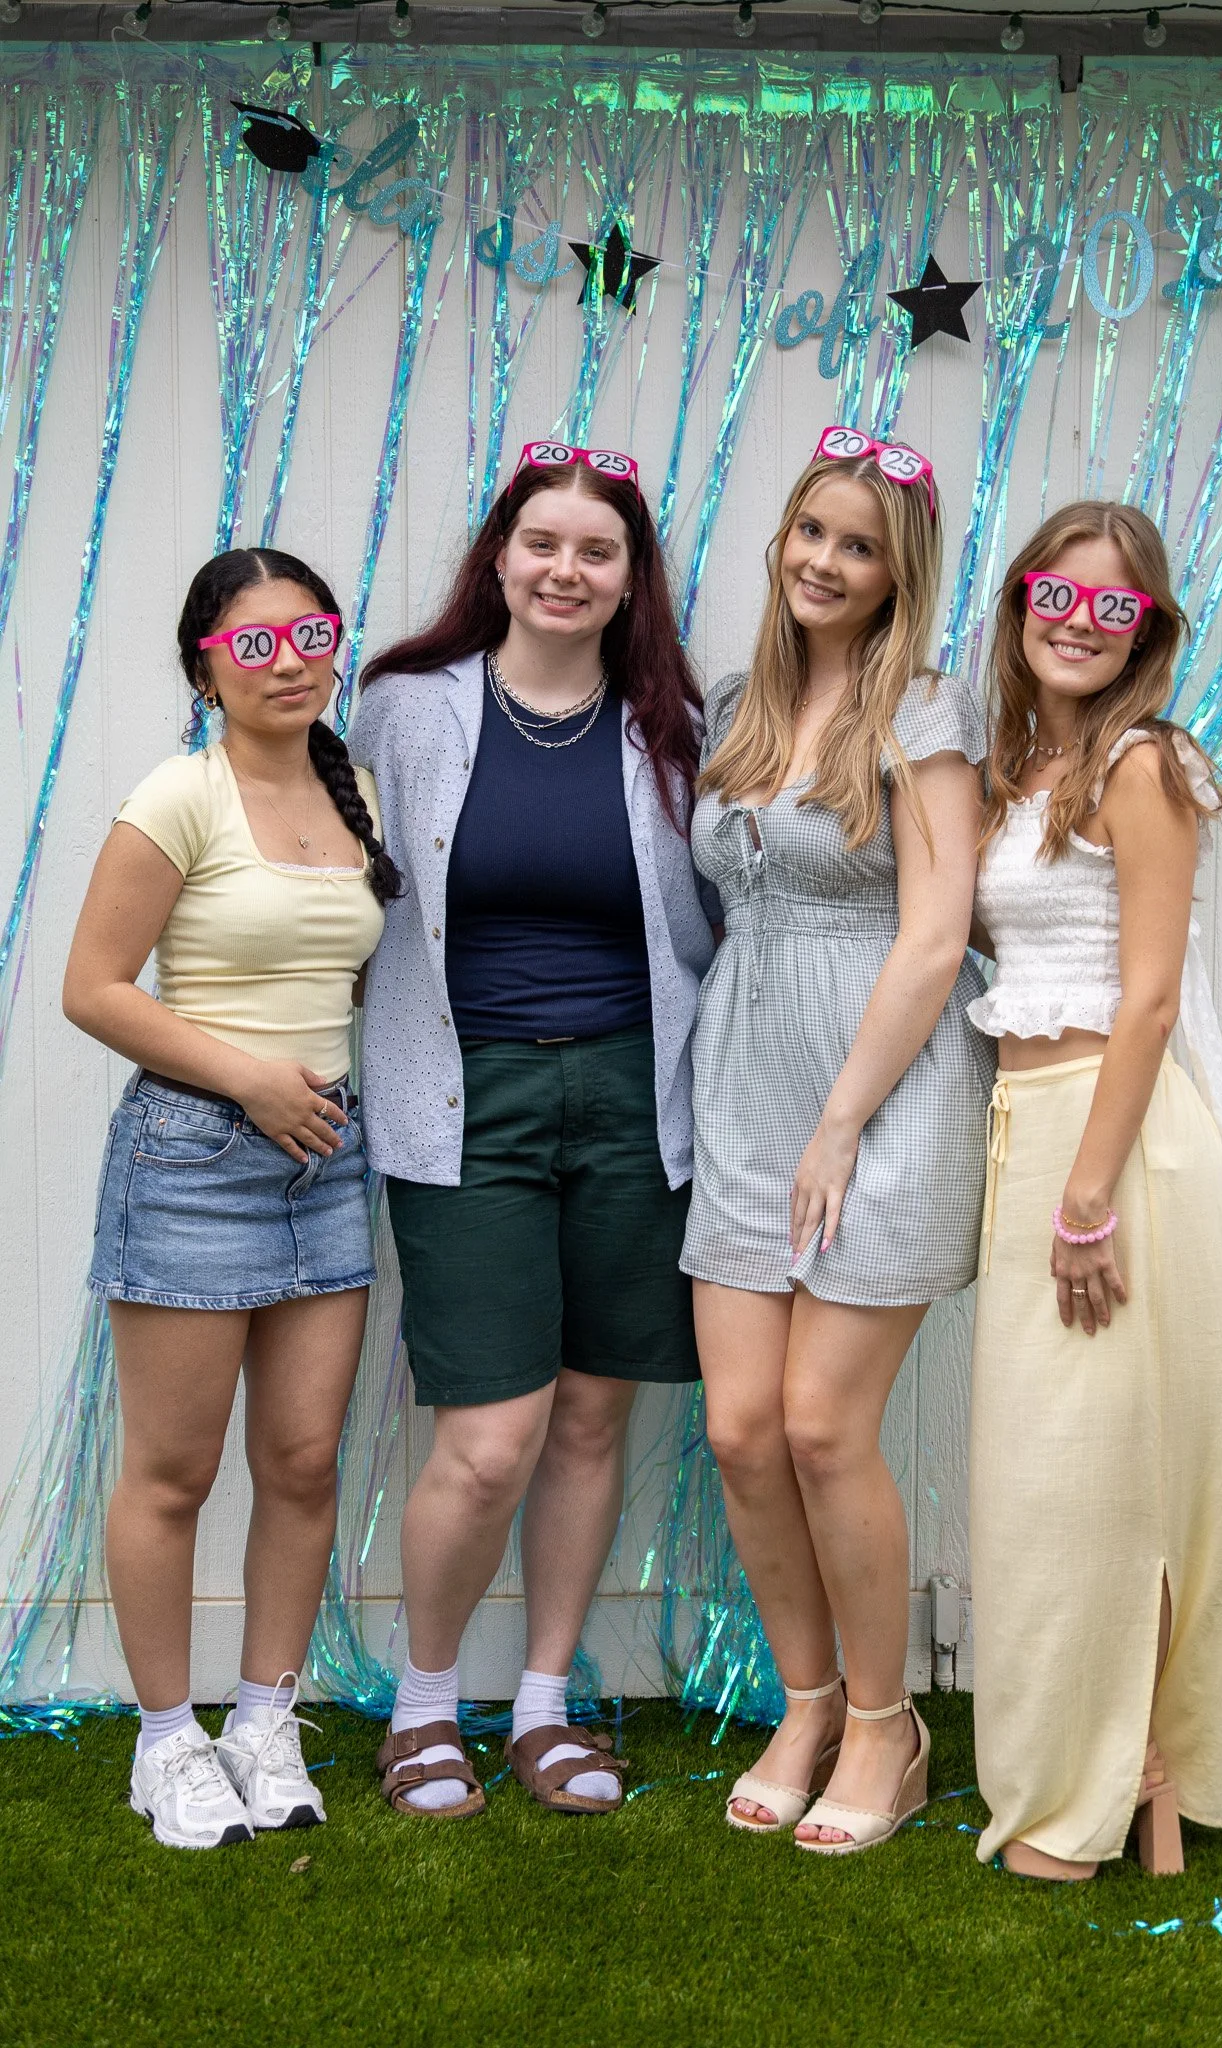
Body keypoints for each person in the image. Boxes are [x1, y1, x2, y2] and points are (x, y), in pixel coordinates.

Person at [349, 440, 713, 1820]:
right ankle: (426, 1707)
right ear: (498, 556)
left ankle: (548, 1707)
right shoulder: (403, 707)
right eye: (543, 543)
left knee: (588, 1417)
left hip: (637, 1096)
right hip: (463, 1098)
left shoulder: (674, 723)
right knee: (490, 1434)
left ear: (631, 581)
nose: (568, 570)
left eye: (598, 551)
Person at [684, 427, 992, 1855]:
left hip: (883, 1084)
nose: (825, 561)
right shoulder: (739, 705)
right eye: (811, 531)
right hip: (744, 1080)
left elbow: (934, 941)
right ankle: (805, 1701)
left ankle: (887, 1725)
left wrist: (841, 1125)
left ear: (896, 573)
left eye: (858, 545)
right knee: (744, 1430)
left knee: (822, 1426)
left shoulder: (925, 717)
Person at [64, 548, 400, 1850]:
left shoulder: (351, 792)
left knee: (304, 1461)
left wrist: (301, 1090)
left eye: (310, 633)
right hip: (194, 1157)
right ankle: (167, 1743)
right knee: (173, 1469)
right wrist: (253, 1080)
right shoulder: (177, 797)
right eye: (255, 643)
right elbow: (94, 988)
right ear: (205, 665)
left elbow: (346, 971)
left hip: (327, 1160)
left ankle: (265, 1719)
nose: (290, 660)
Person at [967, 500, 1222, 1880]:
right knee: (1050, 1481)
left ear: (1149, 632)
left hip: (1113, 1142)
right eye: (1054, 595)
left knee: (1101, 1484)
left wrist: (1087, 1202)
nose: (1077, 623)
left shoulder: (1144, 765)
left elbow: (1146, 1004)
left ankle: (1103, 1788)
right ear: (1021, 604)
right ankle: (1086, 1772)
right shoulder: (1028, 769)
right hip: (1036, 1123)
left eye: (1112, 607)